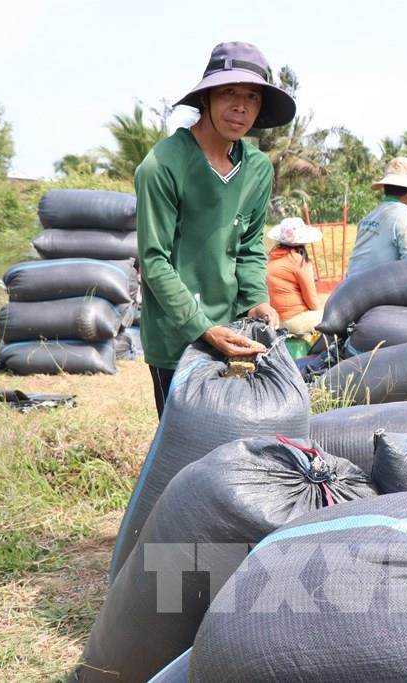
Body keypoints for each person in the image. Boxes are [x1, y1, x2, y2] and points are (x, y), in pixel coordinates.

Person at [136, 41, 295, 418]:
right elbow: (154, 260)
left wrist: (257, 299)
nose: (241, 106)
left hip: (235, 328)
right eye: (229, 92)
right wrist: (202, 328)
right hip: (178, 334)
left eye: (252, 97)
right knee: (183, 446)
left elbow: (251, 244)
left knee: (233, 443)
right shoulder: (162, 166)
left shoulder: (257, 169)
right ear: (206, 98)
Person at [344, 156, 407, 278]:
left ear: (385, 188)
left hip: (349, 286)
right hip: (373, 291)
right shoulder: (402, 212)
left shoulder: (370, 215)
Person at [266, 217, 324, 336]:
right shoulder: (298, 260)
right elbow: (312, 300)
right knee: (332, 318)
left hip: (275, 319)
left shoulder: (272, 257)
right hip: (293, 320)